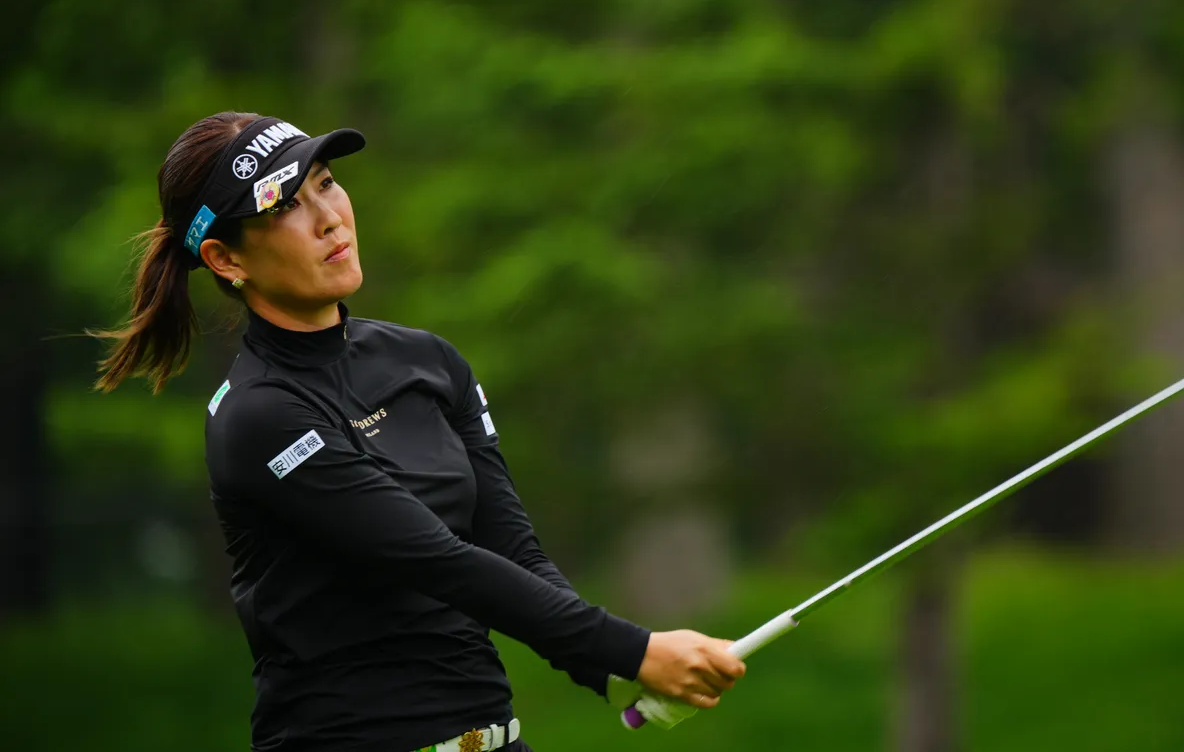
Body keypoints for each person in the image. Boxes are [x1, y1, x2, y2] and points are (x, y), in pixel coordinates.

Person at [91, 112, 745, 752]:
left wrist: (612, 670)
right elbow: (437, 560)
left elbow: (511, 546)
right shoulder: (259, 416)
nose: (328, 217)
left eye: (325, 182)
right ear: (225, 257)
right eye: (284, 205)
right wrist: (634, 649)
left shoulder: (427, 360)